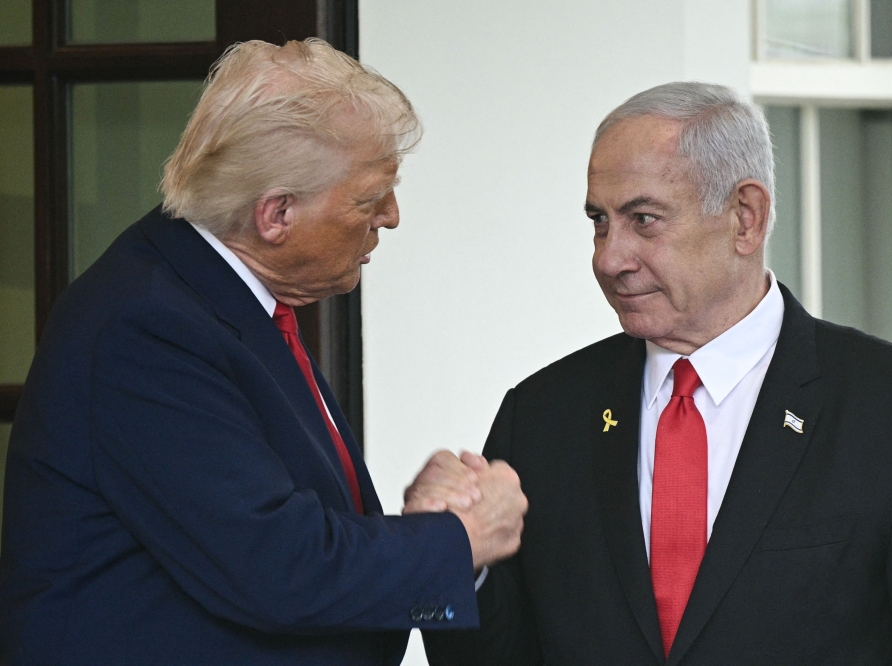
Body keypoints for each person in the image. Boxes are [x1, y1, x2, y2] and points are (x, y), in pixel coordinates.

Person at [422, 82, 892, 665]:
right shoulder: (544, 414)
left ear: (745, 218)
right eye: (600, 221)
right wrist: (453, 559)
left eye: (643, 219)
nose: (607, 257)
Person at [0, 39, 527, 666]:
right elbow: (277, 566)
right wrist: (458, 541)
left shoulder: (214, 297)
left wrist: (423, 531)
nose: (390, 216)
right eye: (368, 198)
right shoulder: (146, 324)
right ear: (276, 214)